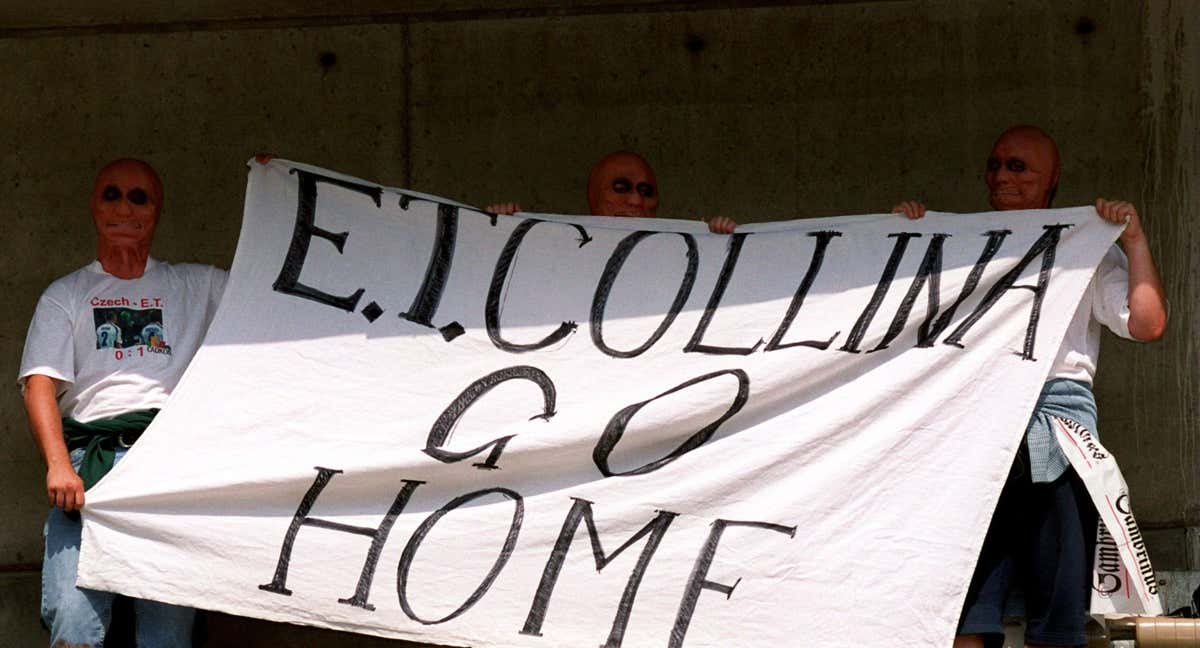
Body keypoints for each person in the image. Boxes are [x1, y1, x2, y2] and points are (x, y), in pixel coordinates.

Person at [893, 125, 1168, 648]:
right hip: (971, 436)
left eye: (1018, 167)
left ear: (1052, 180)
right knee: (963, 614)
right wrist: (897, 240)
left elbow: (1148, 324)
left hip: (1055, 440)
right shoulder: (957, 246)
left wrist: (1132, 240)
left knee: (1056, 621)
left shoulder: (1084, 249)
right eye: (995, 164)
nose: (1001, 176)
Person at [19, 158, 227, 647]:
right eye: (111, 194)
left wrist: (273, 189)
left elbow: (269, 288)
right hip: (90, 469)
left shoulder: (194, 285)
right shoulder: (66, 294)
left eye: (140, 197)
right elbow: (40, 384)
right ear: (94, 206)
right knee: (73, 619)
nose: (125, 208)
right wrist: (57, 467)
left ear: (157, 211)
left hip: (167, 467)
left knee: (168, 629)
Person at [487, 150, 738, 233]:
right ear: (593, 195)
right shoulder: (555, 251)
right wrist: (498, 231)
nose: (636, 200)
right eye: (621, 188)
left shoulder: (682, 254)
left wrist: (716, 245)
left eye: (646, 191)